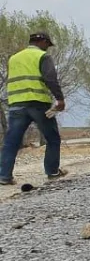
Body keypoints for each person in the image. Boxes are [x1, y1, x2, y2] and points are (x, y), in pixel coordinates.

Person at [1, 32, 68, 185]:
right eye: (47, 45)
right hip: (38, 103)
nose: (47, 49)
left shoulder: (14, 58)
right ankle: (52, 172)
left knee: (11, 141)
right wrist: (60, 99)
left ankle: (4, 176)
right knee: (52, 138)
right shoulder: (42, 57)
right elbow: (50, 78)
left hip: (16, 104)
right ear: (43, 41)